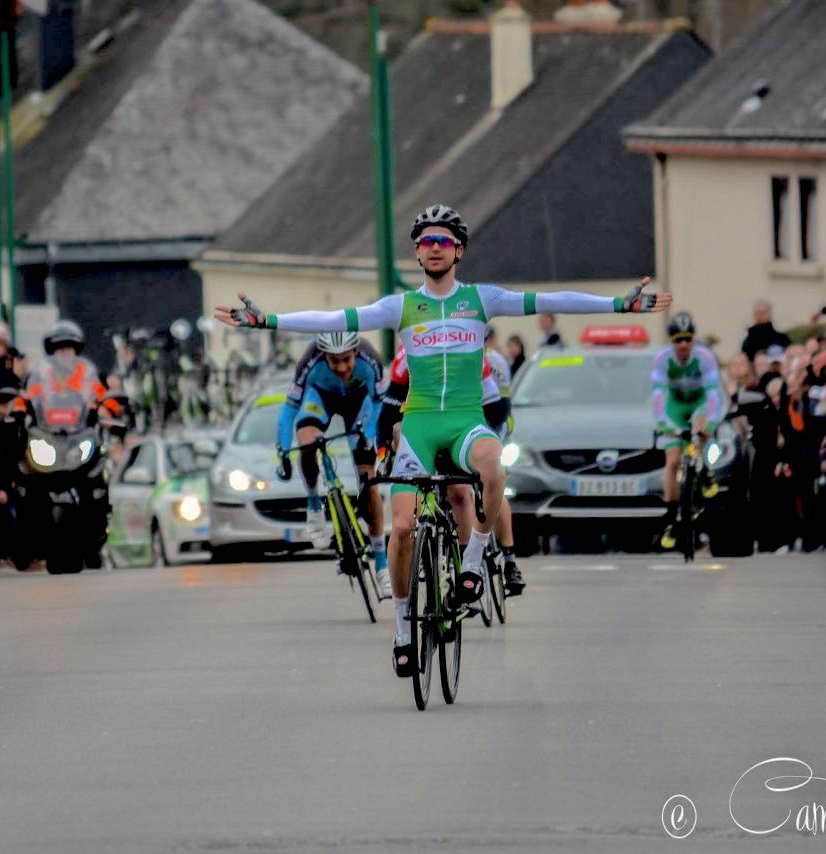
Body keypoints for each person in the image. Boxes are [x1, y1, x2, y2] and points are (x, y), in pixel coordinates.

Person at [217, 203, 670, 676]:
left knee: (494, 465)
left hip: (465, 421)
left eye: (444, 241)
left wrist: (618, 305)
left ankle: (474, 559)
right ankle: (401, 628)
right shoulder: (400, 306)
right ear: (417, 252)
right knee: (404, 530)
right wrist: (265, 321)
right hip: (418, 425)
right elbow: (333, 316)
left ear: (459, 250)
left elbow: (550, 299)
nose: (435, 248)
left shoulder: (482, 299)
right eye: (427, 241)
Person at [377, 340, 526, 596]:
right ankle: (425, 544)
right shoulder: (406, 359)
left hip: (467, 430)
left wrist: (487, 449)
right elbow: (387, 416)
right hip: (423, 437)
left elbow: (499, 411)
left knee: (465, 489)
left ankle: (486, 561)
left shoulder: (480, 358)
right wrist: (384, 453)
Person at [274, 331, 388, 591]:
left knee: (369, 480)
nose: (341, 368)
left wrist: (373, 441)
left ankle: (381, 563)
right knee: (307, 442)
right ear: (323, 355)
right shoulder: (309, 360)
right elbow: (290, 407)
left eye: (346, 360)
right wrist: (282, 449)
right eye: (333, 361)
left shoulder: (371, 360)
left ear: (356, 353)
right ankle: (314, 504)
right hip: (321, 400)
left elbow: (380, 405)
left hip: (360, 405)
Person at [650, 311, 724, 551]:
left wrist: (710, 424)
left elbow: (713, 395)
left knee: (701, 427)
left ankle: (705, 469)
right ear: (671, 342)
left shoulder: (705, 358)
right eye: (678, 340)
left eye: (687, 339)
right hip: (675, 406)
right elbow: (658, 397)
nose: (683, 345)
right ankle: (671, 516)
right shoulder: (662, 360)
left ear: (693, 340)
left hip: (698, 403)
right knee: (672, 462)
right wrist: (664, 424)